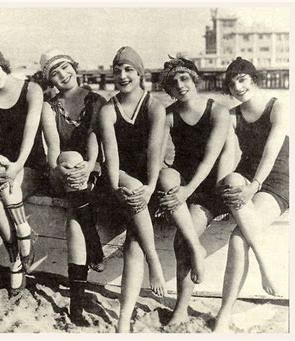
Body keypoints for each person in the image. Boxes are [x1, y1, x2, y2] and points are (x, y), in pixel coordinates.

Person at [214, 57, 289, 332]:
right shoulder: (232, 115)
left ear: (253, 79)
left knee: (237, 238)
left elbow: (271, 151)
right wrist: (223, 188)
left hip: (277, 178)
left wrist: (253, 186)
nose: (237, 86)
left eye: (242, 79)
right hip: (247, 176)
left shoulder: (277, 106)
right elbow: (226, 154)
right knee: (230, 178)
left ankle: (224, 312)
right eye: (232, 83)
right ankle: (262, 260)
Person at [157, 56, 230, 325]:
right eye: (173, 83)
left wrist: (187, 191)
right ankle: (198, 247)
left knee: (181, 243)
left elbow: (210, 159)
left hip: (208, 186)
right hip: (183, 181)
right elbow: (156, 155)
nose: (180, 85)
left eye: (184, 78)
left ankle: (181, 309)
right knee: (165, 176)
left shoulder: (218, 111)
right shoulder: (169, 115)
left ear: (194, 79)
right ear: (169, 90)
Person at [98, 46, 166, 332]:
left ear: (140, 74)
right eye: (118, 71)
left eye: (129, 70)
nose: (123, 76)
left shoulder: (154, 106)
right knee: (131, 184)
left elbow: (154, 151)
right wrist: (116, 187)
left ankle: (123, 320)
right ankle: (156, 263)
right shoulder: (108, 109)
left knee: (133, 245)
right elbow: (111, 157)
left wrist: (150, 186)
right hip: (119, 182)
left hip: (147, 182)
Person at [40, 48, 105, 325]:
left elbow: (95, 138)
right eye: (55, 73)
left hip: (91, 171)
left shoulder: (97, 100)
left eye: (65, 68)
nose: (62, 75)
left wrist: (88, 165)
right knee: (69, 157)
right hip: (61, 170)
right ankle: (96, 247)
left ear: (74, 67)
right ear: (50, 79)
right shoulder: (49, 106)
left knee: (74, 224)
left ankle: (76, 306)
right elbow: (53, 149)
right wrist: (64, 169)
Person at [0, 48, 43, 297]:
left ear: (3, 65)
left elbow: (31, 131)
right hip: (4, 162)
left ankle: (24, 233)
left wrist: (17, 166)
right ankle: (17, 254)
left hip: (30, 159)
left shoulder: (31, 89)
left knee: (2, 182)